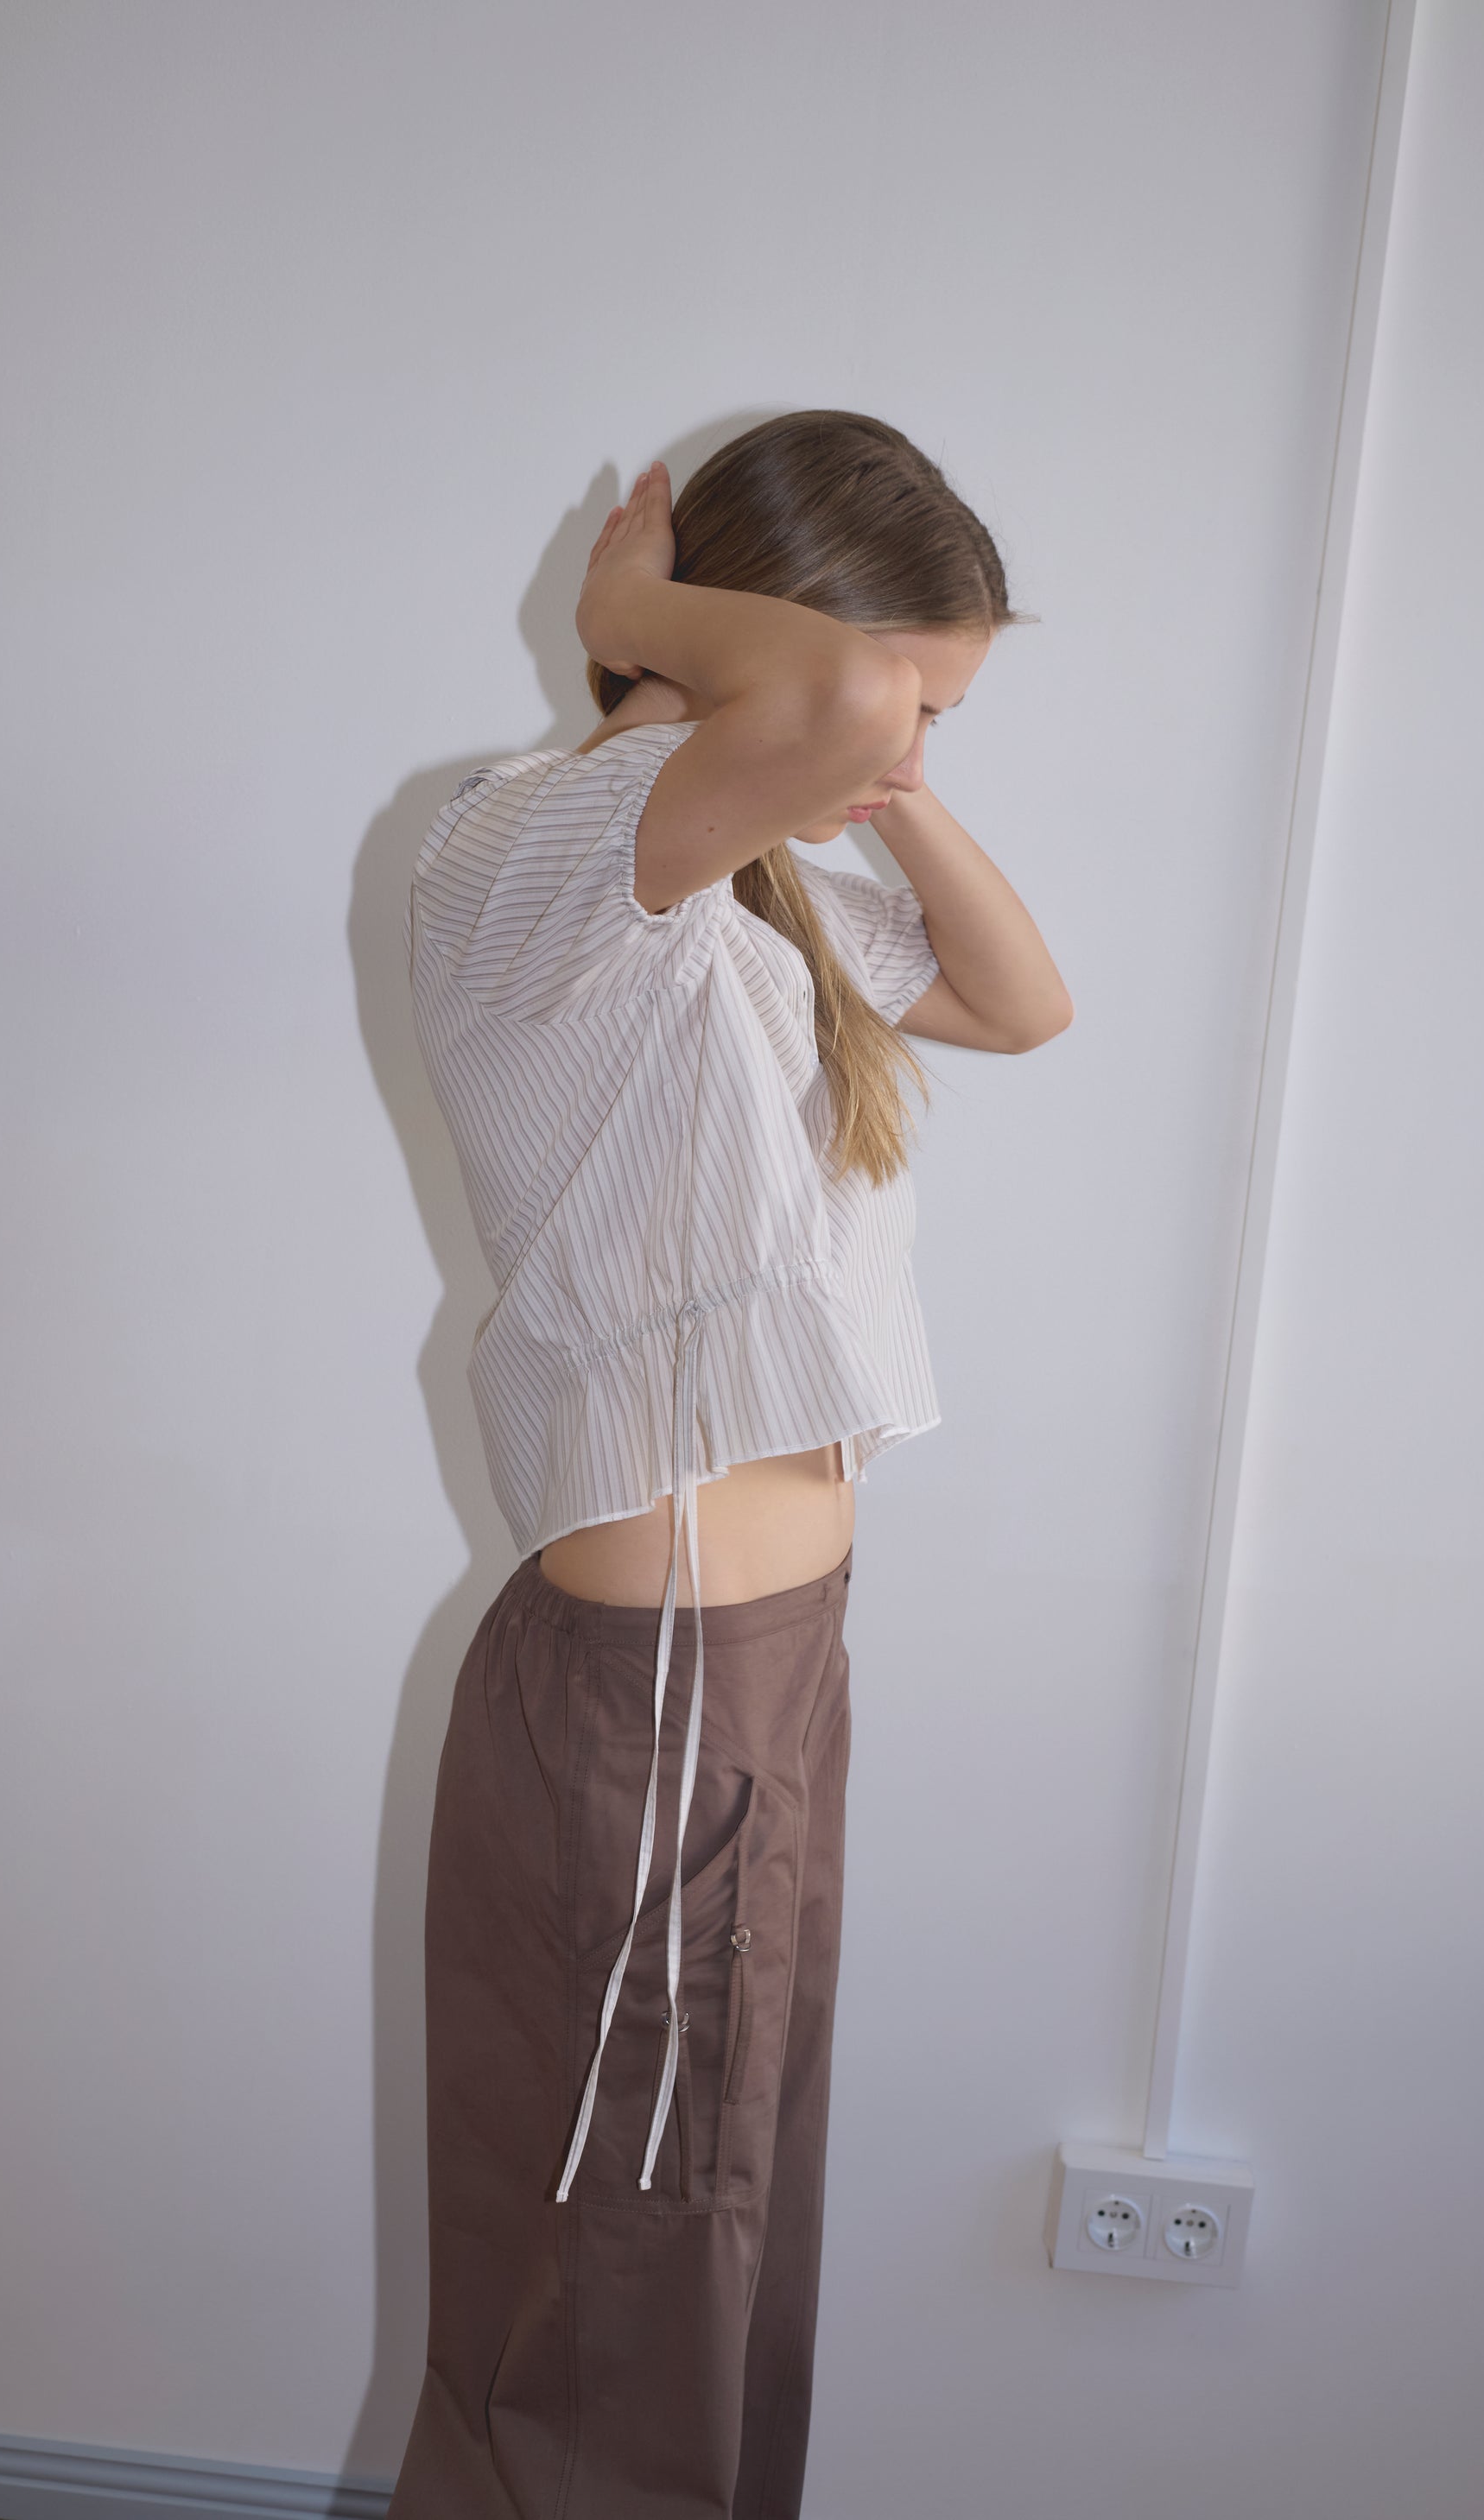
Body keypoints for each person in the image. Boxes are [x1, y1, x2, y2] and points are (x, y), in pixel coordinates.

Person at [390, 410, 1071, 2519]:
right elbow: (834, 694)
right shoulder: (535, 856)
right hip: (663, 1678)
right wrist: (631, 617)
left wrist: (890, 782)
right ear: (757, 647)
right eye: (905, 698)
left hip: (751, 1650)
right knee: (625, 2272)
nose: (902, 744)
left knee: (714, 2242)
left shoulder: (745, 896)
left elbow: (1018, 1002)